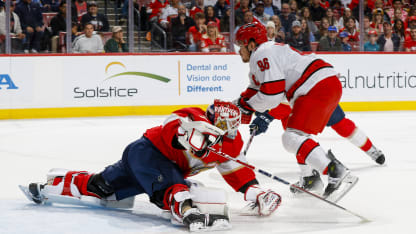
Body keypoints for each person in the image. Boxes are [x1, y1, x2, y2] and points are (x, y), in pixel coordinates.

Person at [22, 100, 281, 231]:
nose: (226, 130)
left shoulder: (231, 145)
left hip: (156, 165)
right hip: (147, 152)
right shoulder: (194, 117)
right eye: (220, 123)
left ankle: (54, 183)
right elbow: (172, 123)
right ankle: (187, 211)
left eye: (229, 127)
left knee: (104, 189)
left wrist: (259, 194)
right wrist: (189, 135)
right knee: (174, 186)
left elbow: (238, 173)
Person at [234, 22, 358, 198]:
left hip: (315, 86)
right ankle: (310, 179)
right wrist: (237, 105)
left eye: (241, 46)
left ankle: (336, 171)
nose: (239, 51)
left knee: (291, 137)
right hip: (324, 83)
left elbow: (272, 95)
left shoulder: (262, 54)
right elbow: (254, 91)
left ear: (252, 44)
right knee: (297, 136)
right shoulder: (265, 54)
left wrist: (247, 107)